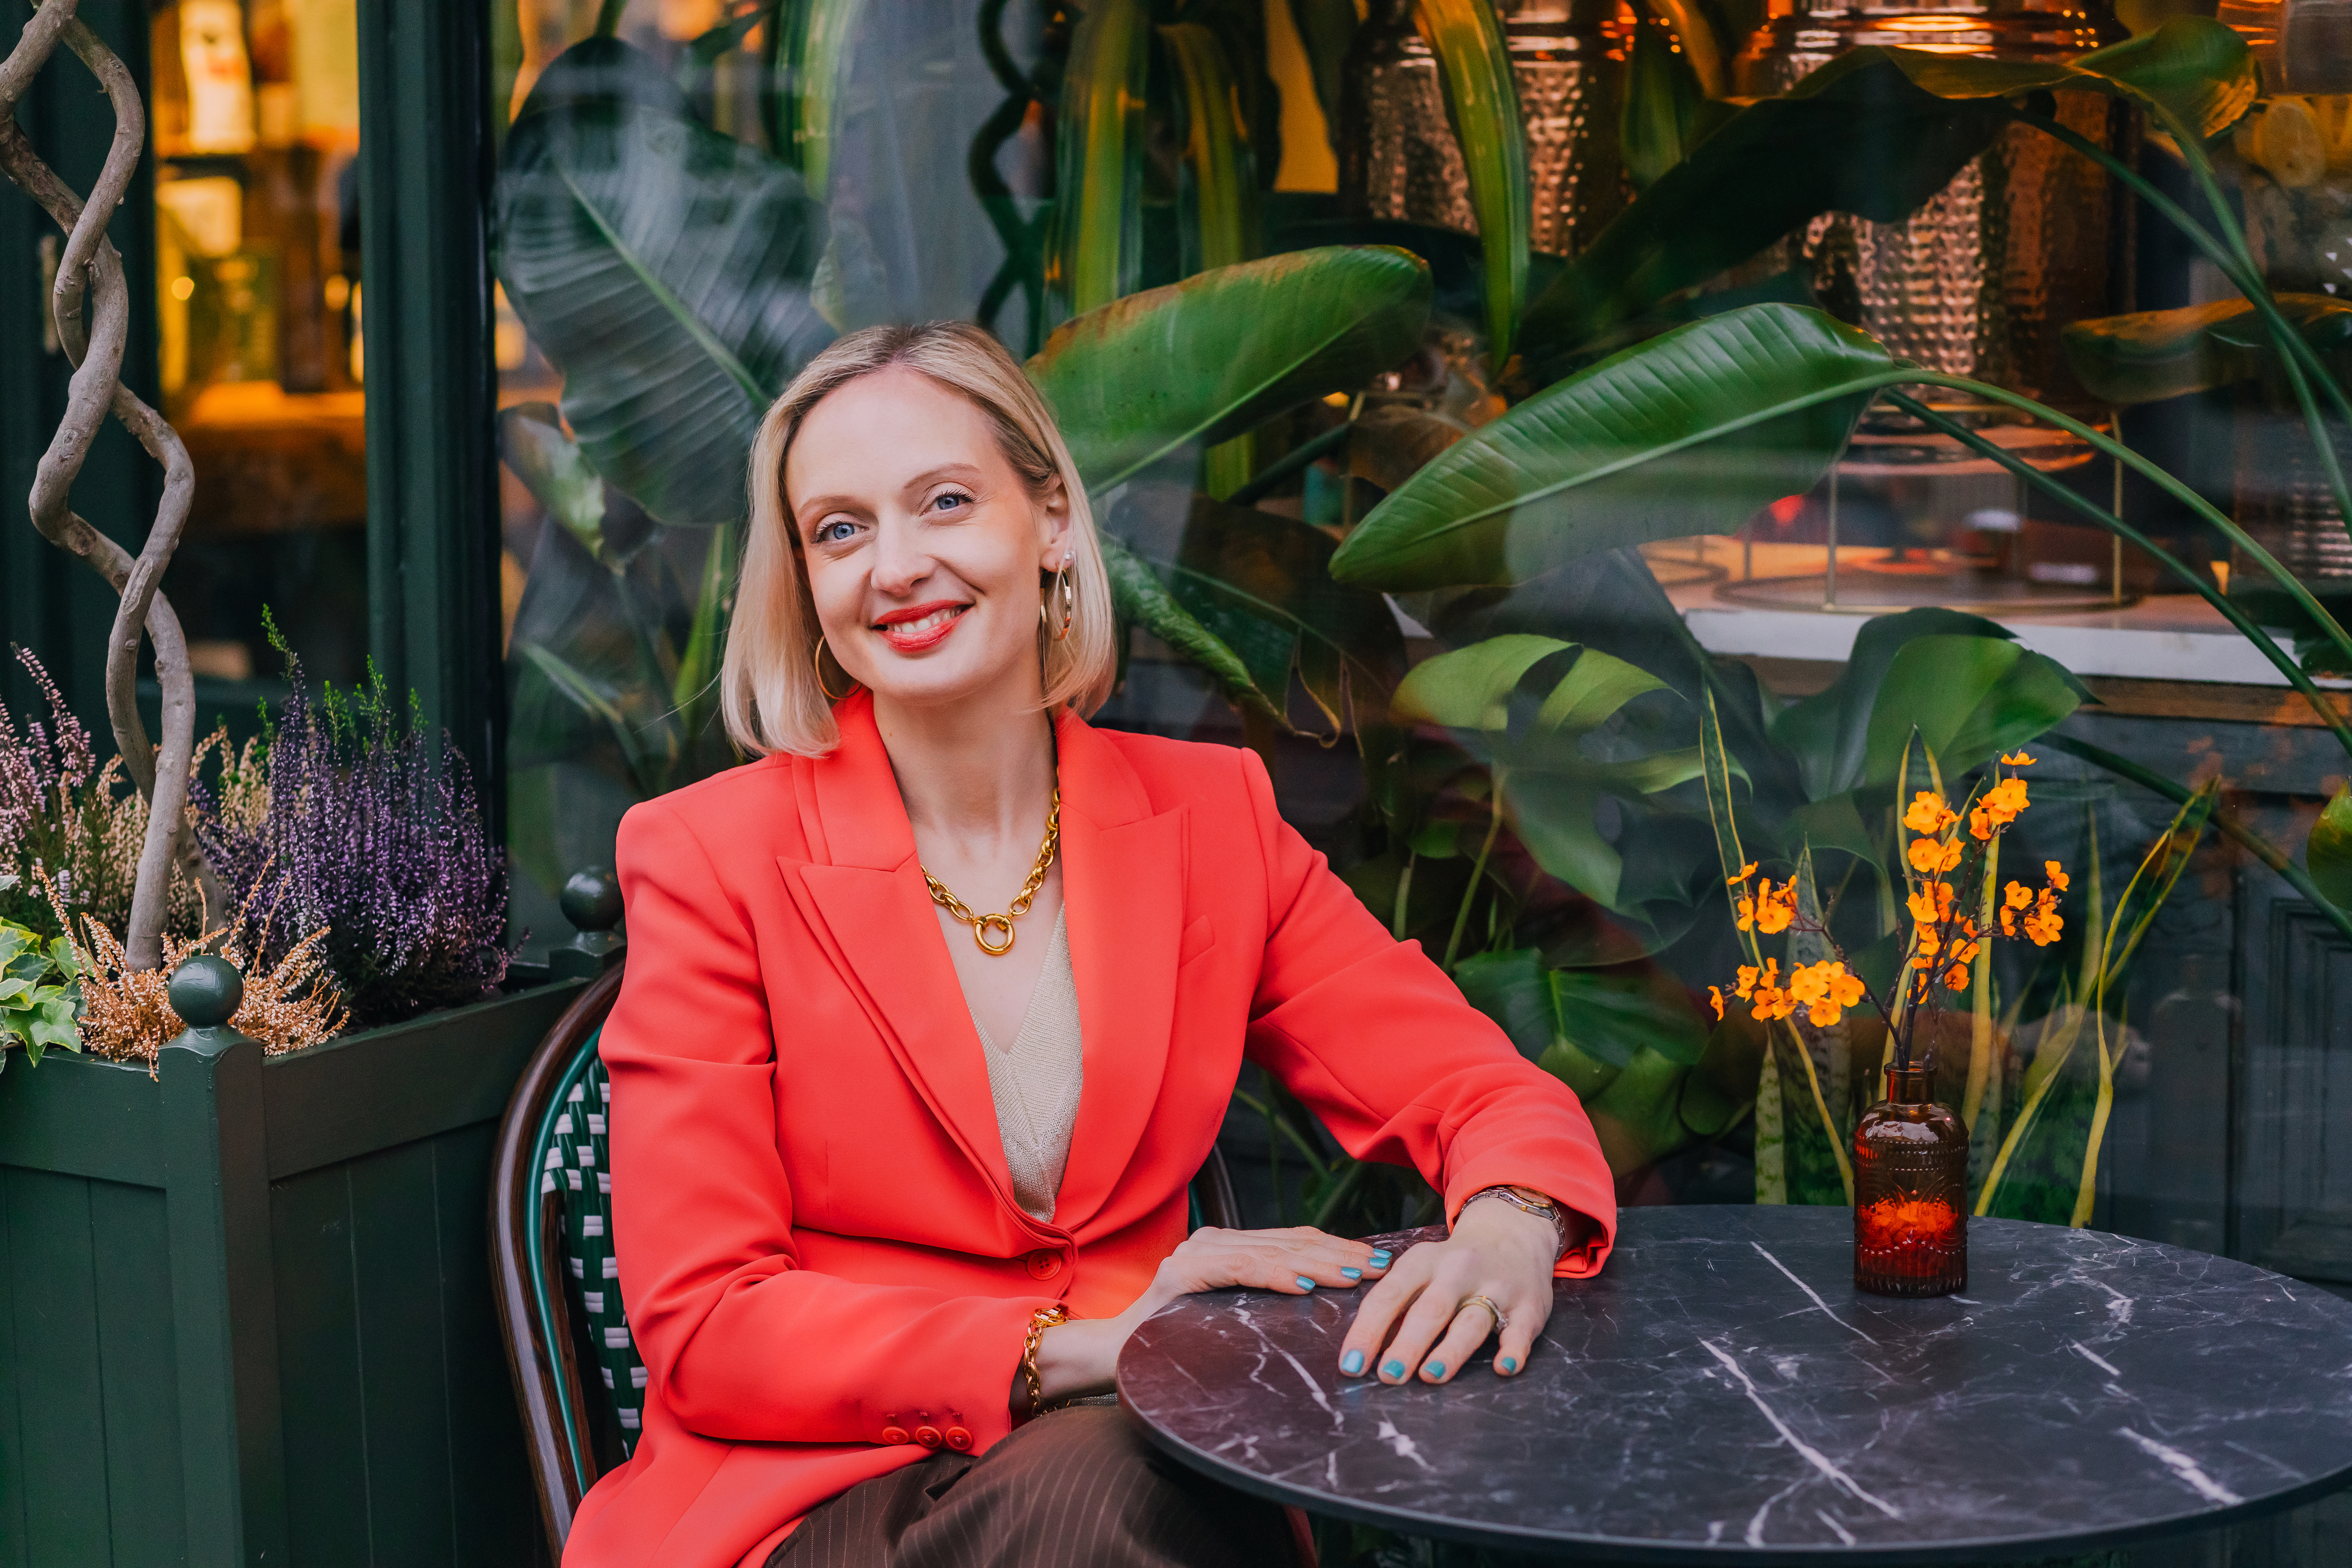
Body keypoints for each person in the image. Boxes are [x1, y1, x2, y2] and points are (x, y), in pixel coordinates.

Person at [567, 322, 1617, 1568]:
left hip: (1148, 1480)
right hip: (820, 1509)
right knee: (1122, 1495)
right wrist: (1100, 1347)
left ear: (1052, 520)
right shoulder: (707, 858)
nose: (896, 566)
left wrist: (1506, 1225)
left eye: (944, 502)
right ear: (804, 580)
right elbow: (709, 1326)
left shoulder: (1211, 819)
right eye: (840, 529)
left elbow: (1472, 1084)